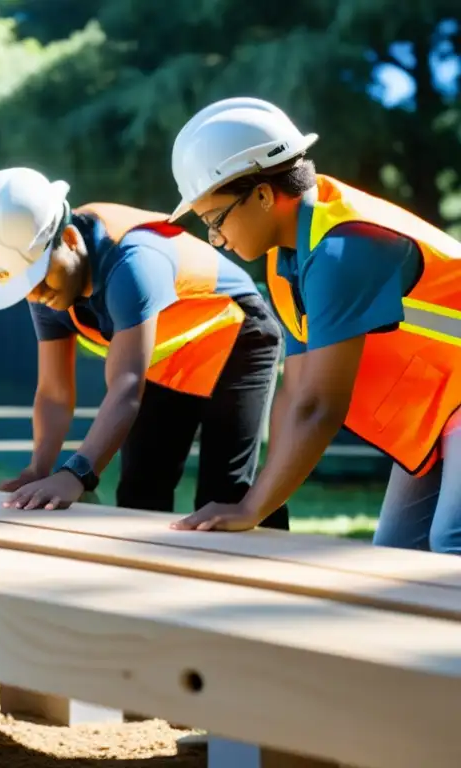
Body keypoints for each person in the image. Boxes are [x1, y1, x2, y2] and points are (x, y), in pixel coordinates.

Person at [166, 96, 461, 548]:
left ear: (263, 195)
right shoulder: (289, 262)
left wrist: (252, 508)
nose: (216, 239)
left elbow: (322, 407)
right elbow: (297, 392)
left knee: (450, 542)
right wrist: (263, 500)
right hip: (444, 407)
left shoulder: (345, 248)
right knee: (397, 554)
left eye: (215, 219)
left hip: (453, 403)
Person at [0, 167, 289, 526]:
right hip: (170, 350)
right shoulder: (46, 292)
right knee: (139, 494)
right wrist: (39, 469)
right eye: (24, 285)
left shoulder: (131, 262)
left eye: (39, 276)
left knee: (224, 494)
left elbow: (127, 385)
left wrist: (77, 474)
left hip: (238, 335)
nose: (35, 294)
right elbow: (54, 392)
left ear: (70, 239)